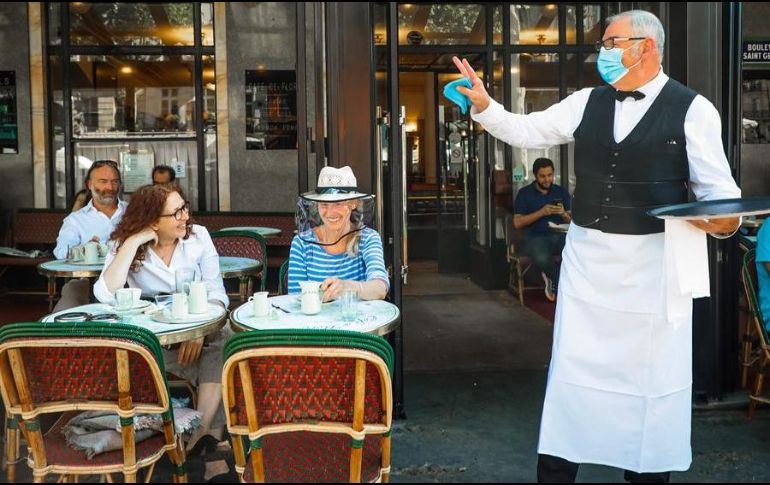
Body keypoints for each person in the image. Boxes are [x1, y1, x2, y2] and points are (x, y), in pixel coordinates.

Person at [453, 9, 740, 484]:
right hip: (589, 267)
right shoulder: (585, 101)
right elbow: (527, 130)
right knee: (573, 382)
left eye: (611, 43)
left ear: (646, 47)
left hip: (654, 273)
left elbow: (722, 200)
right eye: (602, 44)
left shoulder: (695, 110)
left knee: (651, 386)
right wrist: (485, 105)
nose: (601, 53)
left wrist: (723, 225)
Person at [93, 184, 233, 482]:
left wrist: (197, 331)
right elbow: (105, 293)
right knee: (220, 365)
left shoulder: (198, 237)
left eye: (185, 207)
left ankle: (200, 431)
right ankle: (213, 447)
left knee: (223, 341)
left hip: (197, 339)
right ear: (153, 221)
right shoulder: (127, 244)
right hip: (154, 347)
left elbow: (217, 294)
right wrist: (133, 241)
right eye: (176, 212)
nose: (185, 216)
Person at [288, 166, 389, 302]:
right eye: (324, 204)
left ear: (353, 204)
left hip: (358, 316)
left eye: (338, 203)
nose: (330, 212)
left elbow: (381, 288)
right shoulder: (301, 243)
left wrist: (349, 287)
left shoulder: (368, 238)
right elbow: (294, 298)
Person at [53, 160, 128, 311]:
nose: (110, 187)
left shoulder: (133, 213)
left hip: (128, 282)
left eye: (114, 182)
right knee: (62, 313)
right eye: (103, 181)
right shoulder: (76, 220)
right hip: (86, 283)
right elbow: (61, 253)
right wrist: (84, 249)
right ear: (89, 184)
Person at [513, 157, 572, 301]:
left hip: (560, 235)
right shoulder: (525, 193)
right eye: (542, 176)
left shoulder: (561, 191)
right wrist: (541, 212)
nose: (547, 180)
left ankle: (556, 281)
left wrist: (563, 214)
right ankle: (559, 284)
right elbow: (517, 223)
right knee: (541, 256)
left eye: (550, 175)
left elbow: (572, 221)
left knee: (577, 251)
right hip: (535, 237)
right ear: (535, 175)